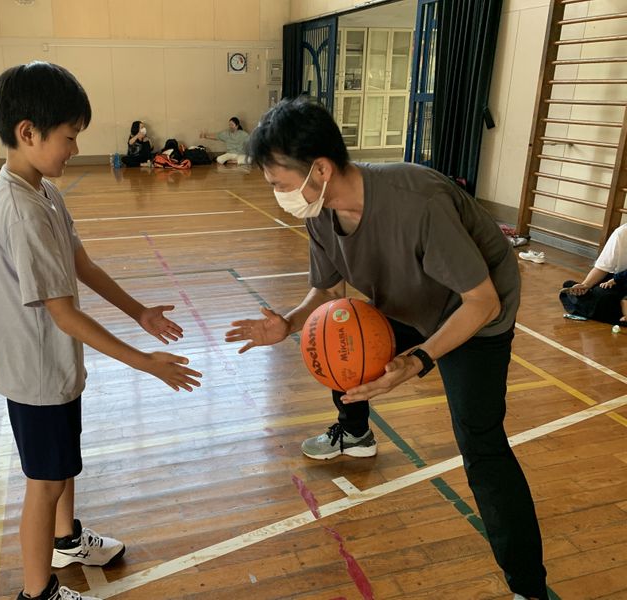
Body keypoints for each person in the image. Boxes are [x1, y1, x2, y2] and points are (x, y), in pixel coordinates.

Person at [224, 97, 548, 600]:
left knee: (481, 448)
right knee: (337, 338)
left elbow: (480, 301)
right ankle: (356, 435)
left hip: (476, 313)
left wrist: (417, 360)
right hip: (411, 299)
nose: (278, 195)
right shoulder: (320, 210)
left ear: (321, 168)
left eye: (278, 183)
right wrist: (288, 324)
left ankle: (529, 586)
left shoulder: (417, 201)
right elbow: (330, 294)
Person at [0, 62, 202, 600]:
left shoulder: (45, 192)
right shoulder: (20, 211)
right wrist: (144, 362)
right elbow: (64, 314)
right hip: (35, 373)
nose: (74, 149)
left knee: (63, 467)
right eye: (69, 137)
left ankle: (67, 540)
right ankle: (38, 593)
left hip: (54, 367)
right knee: (45, 482)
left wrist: (139, 312)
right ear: (27, 132)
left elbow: (82, 265)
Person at [559, 223, 627, 324]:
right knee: (602, 298)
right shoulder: (621, 234)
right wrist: (586, 284)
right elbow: (603, 267)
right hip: (621, 281)